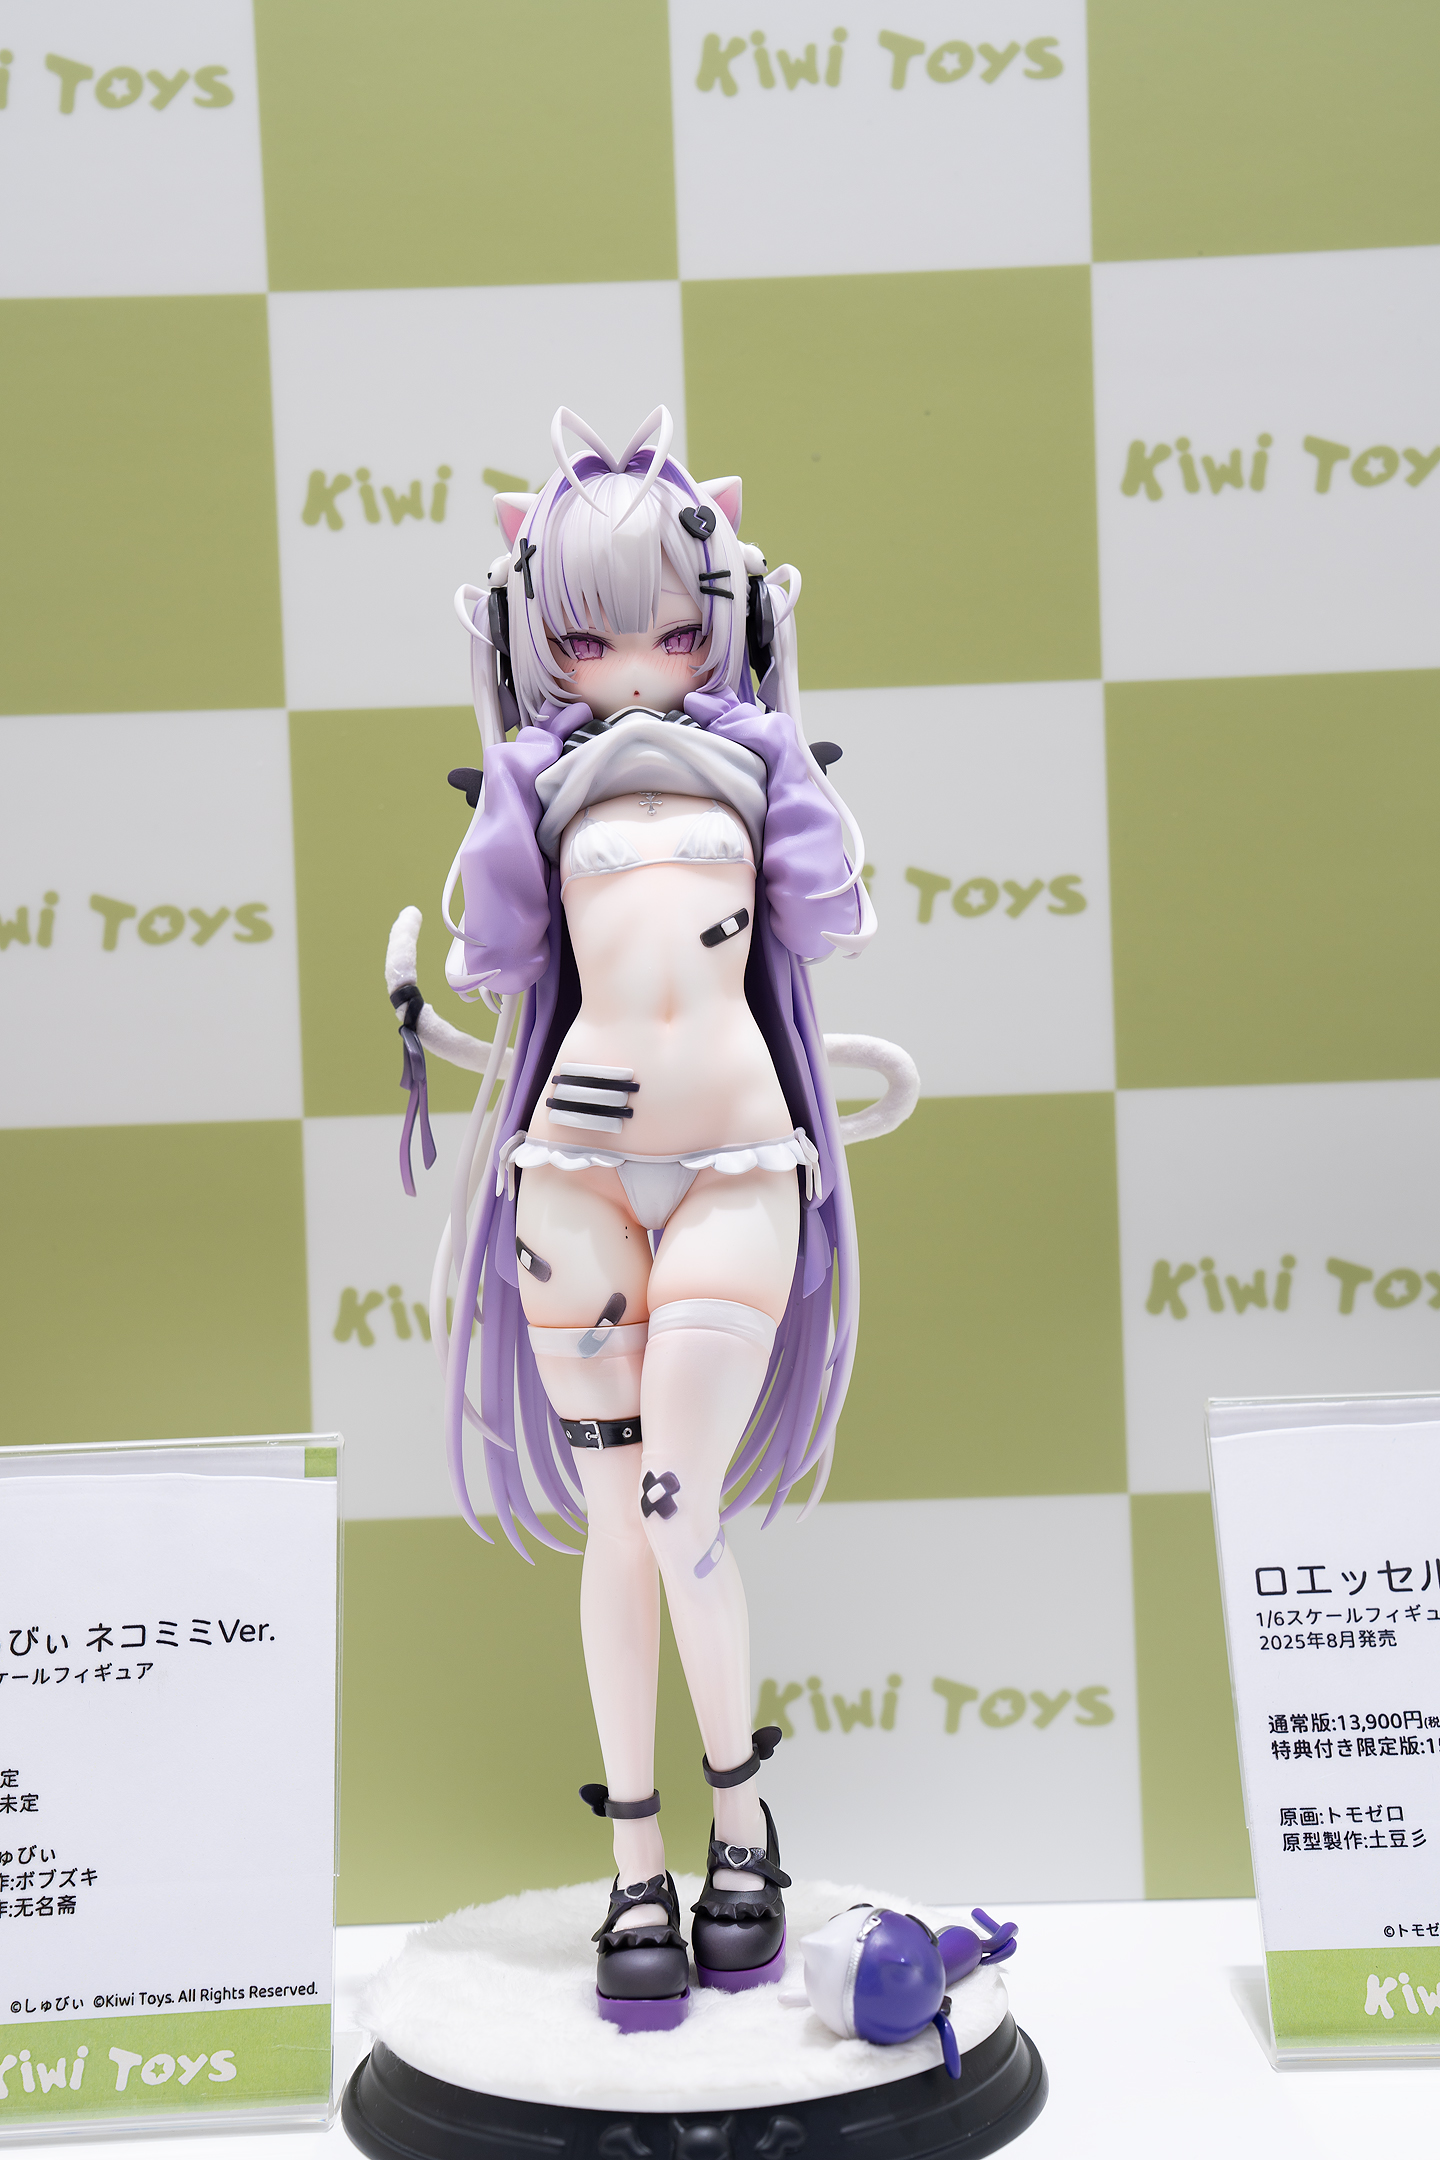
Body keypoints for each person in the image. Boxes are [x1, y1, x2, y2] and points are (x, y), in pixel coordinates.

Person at [385, 407, 913, 2030]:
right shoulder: (533, 779)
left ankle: (741, 1823)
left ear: (726, 615)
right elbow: (496, 957)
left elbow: (826, 914)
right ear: (534, 629)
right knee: (620, 1521)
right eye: (590, 636)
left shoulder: (761, 759)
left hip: (740, 1160)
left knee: (681, 1505)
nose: (633, 666)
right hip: (575, 1170)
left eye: (677, 632)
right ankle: (639, 1862)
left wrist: (785, 752)